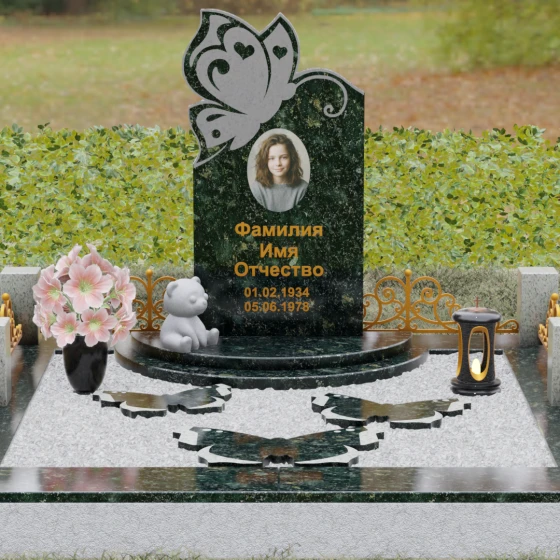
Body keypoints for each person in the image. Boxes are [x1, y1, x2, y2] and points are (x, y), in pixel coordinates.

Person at [249, 133, 309, 212]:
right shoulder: (257, 189)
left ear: (292, 159)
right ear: (265, 161)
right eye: (271, 158)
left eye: (284, 157)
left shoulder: (303, 189)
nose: (278, 163)